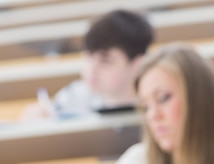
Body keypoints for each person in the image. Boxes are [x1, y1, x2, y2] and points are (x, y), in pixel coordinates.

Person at [20, 9, 154, 120]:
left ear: (137, 64)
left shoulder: (152, 105)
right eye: (89, 56)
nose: (92, 69)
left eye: (105, 61)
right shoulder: (74, 96)